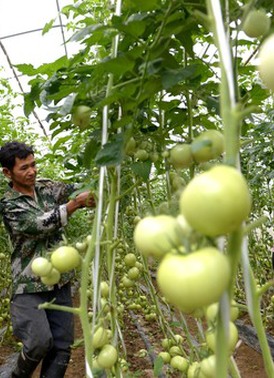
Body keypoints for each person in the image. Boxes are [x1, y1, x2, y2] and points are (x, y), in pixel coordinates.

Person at [0, 141, 95, 378]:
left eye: (33, 165)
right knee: (39, 341)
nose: (32, 171)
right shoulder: (10, 204)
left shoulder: (47, 188)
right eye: (24, 168)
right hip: (29, 281)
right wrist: (74, 204)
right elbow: (38, 225)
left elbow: (74, 188)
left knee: (63, 346)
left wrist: (96, 181)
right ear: (7, 173)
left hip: (60, 279)